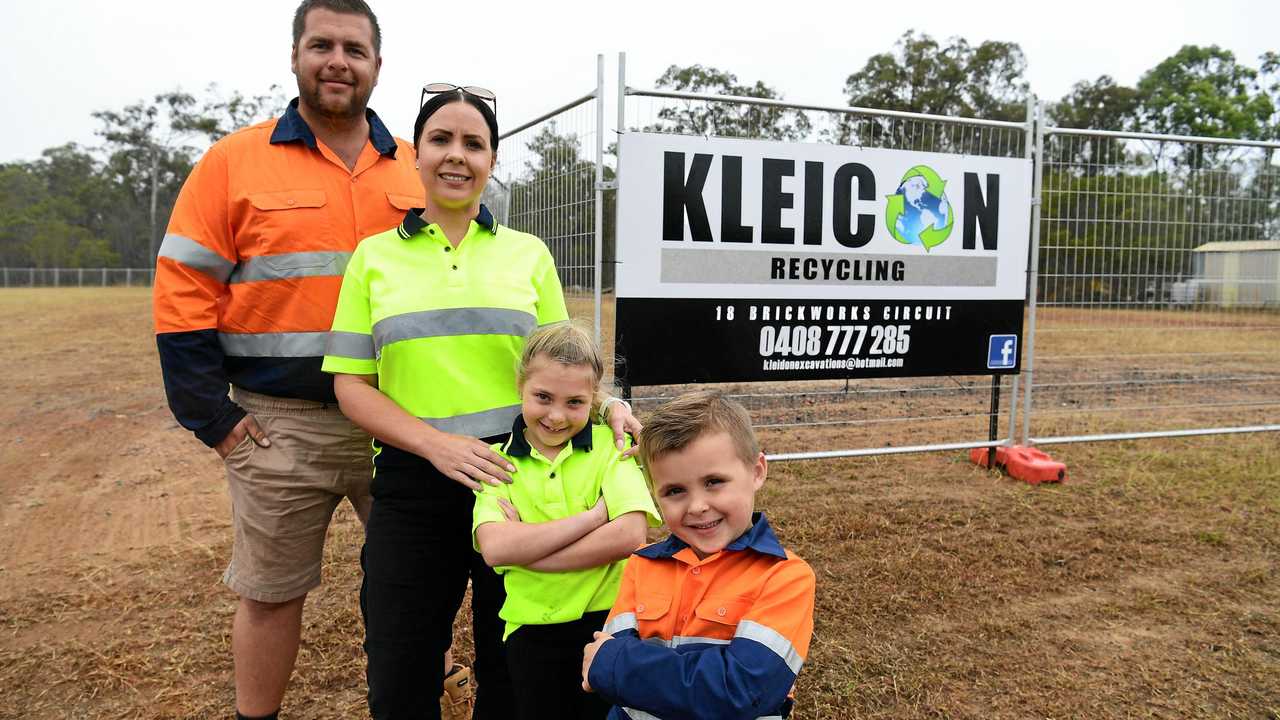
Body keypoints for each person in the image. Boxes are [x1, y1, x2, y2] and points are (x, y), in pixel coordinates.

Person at [322, 85, 641, 719]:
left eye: (475, 143)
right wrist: (436, 445)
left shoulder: (528, 254)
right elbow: (350, 384)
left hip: (521, 481)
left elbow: (567, 367)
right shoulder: (373, 258)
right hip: (415, 484)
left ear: (492, 159)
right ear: (415, 153)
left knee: (514, 668)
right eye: (441, 139)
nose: (456, 155)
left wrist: (609, 409)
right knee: (401, 666)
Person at [152, 2, 424, 718]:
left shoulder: (415, 168)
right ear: (297, 55)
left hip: (402, 422)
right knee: (270, 596)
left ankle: (437, 698)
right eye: (322, 45)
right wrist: (214, 418)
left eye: (355, 49)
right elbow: (184, 288)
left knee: (415, 586)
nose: (339, 60)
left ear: (377, 65)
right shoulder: (233, 161)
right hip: (279, 427)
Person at [581, 391, 816, 720]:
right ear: (654, 494)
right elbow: (613, 680)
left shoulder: (784, 576)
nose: (697, 506)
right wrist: (616, 666)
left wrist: (618, 665)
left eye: (714, 481)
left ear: (757, 471)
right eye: (675, 491)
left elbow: (744, 692)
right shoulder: (641, 564)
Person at [472, 323, 661, 720]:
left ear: (594, 398)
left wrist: (531, 551)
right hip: (531, 631)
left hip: (610, 624)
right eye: (543, 397)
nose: (556, 416)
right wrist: (594, 517)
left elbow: (629, 534)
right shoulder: (497, 463)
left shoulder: (613, 450)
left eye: (575, 402)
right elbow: (496, 548)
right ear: (520, 386)